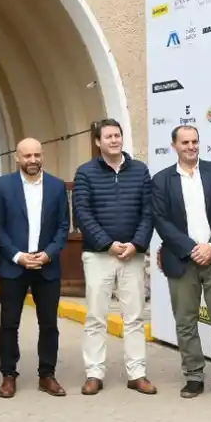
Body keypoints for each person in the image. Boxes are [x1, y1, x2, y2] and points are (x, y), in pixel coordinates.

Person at [152, 125, 211, 400]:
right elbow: (161, 221)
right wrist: (192, 249)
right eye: (185, 142)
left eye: (194, 141)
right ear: (174, 146)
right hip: (182, 261)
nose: (191, 147)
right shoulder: (162, 180)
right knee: (185, 321)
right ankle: (193, 375)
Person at [71, 119, 156, 395]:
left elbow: (148, 212)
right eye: (108, 137)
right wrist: (108, 244)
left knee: (134, 318)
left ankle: (137, 373)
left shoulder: (140, 171)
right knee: (96, 316)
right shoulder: (85, 173)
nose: (114, 140)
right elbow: (82, 213)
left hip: (132, 255)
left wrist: (136, 244)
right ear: (98, 142)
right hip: (98, 256)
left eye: (117, 135)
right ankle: (94, 373)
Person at [0, 137, 70, 397]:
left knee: (48, 324)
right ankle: (8, 375)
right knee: (9, 324)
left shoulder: (57, 187)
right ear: (17, 158)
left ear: (42, 156)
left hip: (46, 266)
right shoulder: (3, 186)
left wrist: (48, 254)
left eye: (37, 155)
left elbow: (62, 227)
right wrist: (17, 256)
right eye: (27, 156)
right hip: (14, 265)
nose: (33, 160)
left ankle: (47, 375)